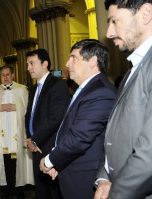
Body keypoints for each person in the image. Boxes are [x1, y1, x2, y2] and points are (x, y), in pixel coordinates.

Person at [39, 39, 117, 199]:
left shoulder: (101, 92)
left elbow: (80, 137)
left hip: (86, 176)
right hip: (73, 169)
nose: (67, 63)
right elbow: (70, 128)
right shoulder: (88, 89)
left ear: (93, 62)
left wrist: (50, 161)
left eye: (73, 58)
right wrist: (59, 162)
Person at [95, 1, 152, 198]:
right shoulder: (130, 72)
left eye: (114, 21)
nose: (109, 33)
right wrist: (104, 177)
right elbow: (114, 133)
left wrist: (116, 194)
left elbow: (149, 154)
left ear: (145, 14)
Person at [0, 65, 34, 199]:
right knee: (4, 161)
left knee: (17, 161)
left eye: (8, 74)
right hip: (2, 136)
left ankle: (19, 190)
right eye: (3, 75)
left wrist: (16, 107)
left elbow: (30, 111)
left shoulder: (22, 90)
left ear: (13, 75)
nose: (5, 77)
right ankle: (5, 190)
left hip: (18, 134)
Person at [25, 49, 71, 199]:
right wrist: (30, 137)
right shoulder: (33, 89)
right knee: (41, 191)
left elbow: (55, 118)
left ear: (45, 64)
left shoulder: (58, 85)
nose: (28, 68)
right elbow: (29, 116)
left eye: (32, 63)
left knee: (54, 192)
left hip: (50, 146)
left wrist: (35, 139)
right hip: (36, 147)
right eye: (27, 64)